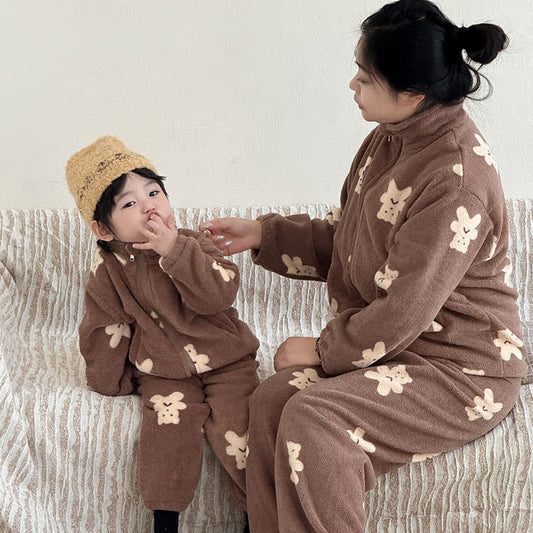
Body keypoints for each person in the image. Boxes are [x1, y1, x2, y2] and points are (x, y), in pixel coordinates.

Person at [199, 1, 528, 531]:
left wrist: (323, 350)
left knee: (315, 418)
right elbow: (354, 242)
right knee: (273, 400)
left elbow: (404, 308)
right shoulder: (390, 139)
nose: (353, 84)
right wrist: (264, 234)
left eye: (365, 76)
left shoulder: (456, 180)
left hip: (461, 371)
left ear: (413, 93)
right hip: (398, 350)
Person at [65, 136, 259, 533]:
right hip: (163, 370)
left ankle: (256, 517)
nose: (149, 205)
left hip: (228, 360)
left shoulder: (192, 244)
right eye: (129, 203)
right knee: (167, 436)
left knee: (241, 430)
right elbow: (104, 328)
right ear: (103, 228)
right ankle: (165, 521)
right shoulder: (108, 272)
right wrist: (111, 381)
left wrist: (175, 252)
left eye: (154, 192)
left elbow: (219, 294)